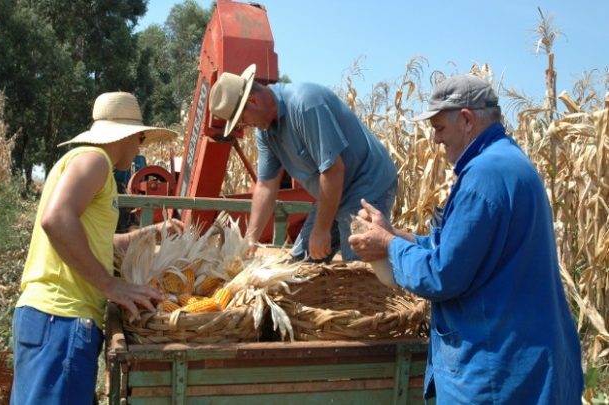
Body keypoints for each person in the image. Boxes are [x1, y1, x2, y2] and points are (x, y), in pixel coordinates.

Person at [348, 75, 583, 404]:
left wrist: (388, 247)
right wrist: (395, 234)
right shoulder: (507, 163)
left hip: (497, 371)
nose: (436, 140)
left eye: (440, 128)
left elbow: (443, 274)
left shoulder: (483, 178)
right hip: (525, 357)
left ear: (467, 119)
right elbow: (464, 247)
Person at [12, 92, 181, 404]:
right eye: (140, 138)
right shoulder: (96, 160)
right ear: (127, 135)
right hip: (62, 318)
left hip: (49, 319)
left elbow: (96, 243)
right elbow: (56, 220)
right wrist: (110, 285)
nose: (139, 147)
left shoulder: (78, 162)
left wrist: (151, 233)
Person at [208, 64, 398, 261]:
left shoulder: (305, 104)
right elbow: (265, 186)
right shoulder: (264, 133)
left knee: (359, 263)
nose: (245, 126)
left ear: (253, 100)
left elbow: (333, 170)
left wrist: (321, 230)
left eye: (242, 119)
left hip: (366, 184)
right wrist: (251, 238)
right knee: (300, 263)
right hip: (333, 192)